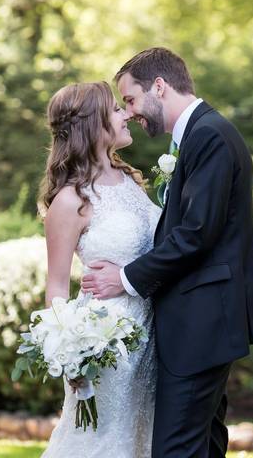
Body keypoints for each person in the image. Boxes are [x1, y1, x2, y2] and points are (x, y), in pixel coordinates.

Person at [81, 47, 253, 458]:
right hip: (201, 319)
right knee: (202, 445)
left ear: (159, 86)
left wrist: (125, 278)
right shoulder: (198, 134)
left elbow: (196, 234)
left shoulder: (208, 135)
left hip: (201, 323)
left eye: (131, 99)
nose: (130, 112)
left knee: (176, 450)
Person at [38, 81, 160, 457]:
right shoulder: (71, 200)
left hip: (151, 338)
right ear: (93, 124)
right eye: (116, 109)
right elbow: (57, 286)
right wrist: (69, 354)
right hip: (108, 349)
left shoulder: (131, 181)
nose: (126, 114)